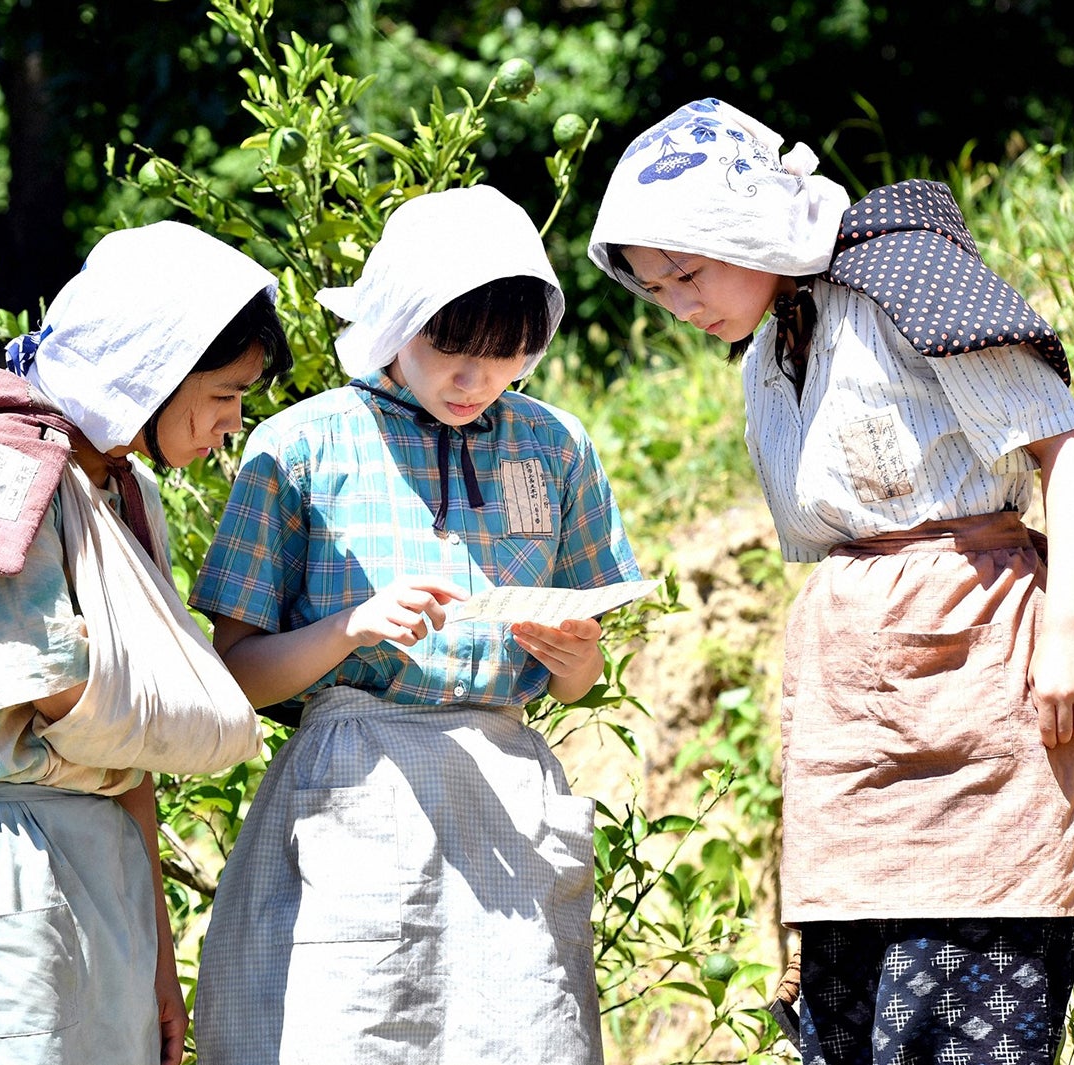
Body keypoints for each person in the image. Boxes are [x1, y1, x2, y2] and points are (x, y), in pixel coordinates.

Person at [587, 99, 1074, 1065]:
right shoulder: (766, 356)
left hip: (978, 662)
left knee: (976, 983)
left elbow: (1065, 443)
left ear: (746, 226)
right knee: (852, 1003)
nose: (680, 303)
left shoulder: (902, 281)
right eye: (656, 290)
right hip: (850, 703)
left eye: (689, 271)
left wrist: (1067, 630)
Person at [187, 184, 641, 1065]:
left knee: (524, 1034)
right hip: (354, 784)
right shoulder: (300, 444)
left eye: (507, 355)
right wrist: (350, 627)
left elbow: (578, 675)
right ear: (396, 320)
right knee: (355, 1032)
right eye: (450, 350)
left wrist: (573, 656)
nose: (477, 380)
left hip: (509, 795)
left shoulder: (555, 446)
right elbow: (235, 673)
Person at [0, 220, 292, 1065]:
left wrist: (158, 959)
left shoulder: (119, 487)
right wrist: (219, 725)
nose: (231, 425)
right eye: (222, 395)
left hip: (94, 872)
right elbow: (52, 689)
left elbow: (127, 764)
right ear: (152, 370)